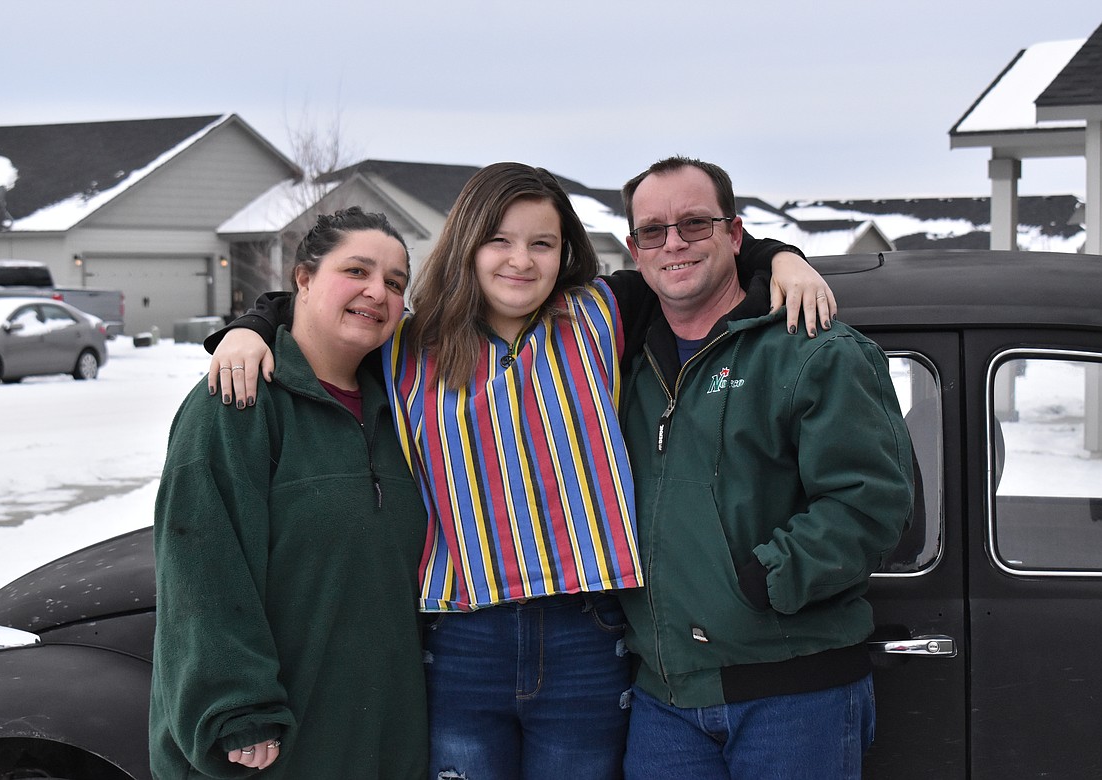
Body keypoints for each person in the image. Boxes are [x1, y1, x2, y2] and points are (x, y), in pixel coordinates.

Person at [205, 162, 834, 778]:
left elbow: (692, 260)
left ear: (565, 253)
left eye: (542, 243)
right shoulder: (404, 344)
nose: (521, 260)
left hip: (585, 633)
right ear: (466, 246)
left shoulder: (604, 313)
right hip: (459, 640)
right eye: (498, 241)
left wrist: (781, 258)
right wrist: (249, 328)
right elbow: (324, 304)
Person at [616, 157, 915, 779]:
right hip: (665, 700)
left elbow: (871, 502)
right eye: (653, 230)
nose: (673, 243)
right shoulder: (624, 361)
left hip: (794, 693)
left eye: (695, 224)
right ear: (635, 250)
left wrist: (763, 582)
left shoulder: (812, 349)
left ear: (735, 234)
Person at [149, 207, 429, 778]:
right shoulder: (238, 401)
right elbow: (200, 563)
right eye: (357, 270)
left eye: (396, 283)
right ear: (302, 279)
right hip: (268, 747)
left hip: (380, 737)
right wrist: (237, 707)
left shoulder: (405, 407)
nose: (378, 292)